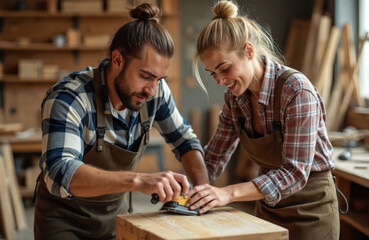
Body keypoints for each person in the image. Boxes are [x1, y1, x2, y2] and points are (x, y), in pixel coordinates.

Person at [33, 3, 208, 240]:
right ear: (117, 60)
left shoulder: (156, 91)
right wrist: (138, 180)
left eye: (159, 78)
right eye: (145, 76)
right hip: (64, 223)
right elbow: (61, 171)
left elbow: (185, 141)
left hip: (117, 221)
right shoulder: (69, 98)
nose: (151, 89)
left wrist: (202, 195)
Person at [186, 1, 340, 239]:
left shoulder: (296, 91)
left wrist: (228, 193)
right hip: (269, 211)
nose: (219, 81)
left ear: (249, 51)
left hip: (312, 212)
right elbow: (214, 157)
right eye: (212, 73)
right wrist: (189, 189)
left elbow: (295, 173)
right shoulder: (235, 99)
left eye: (224, 69)